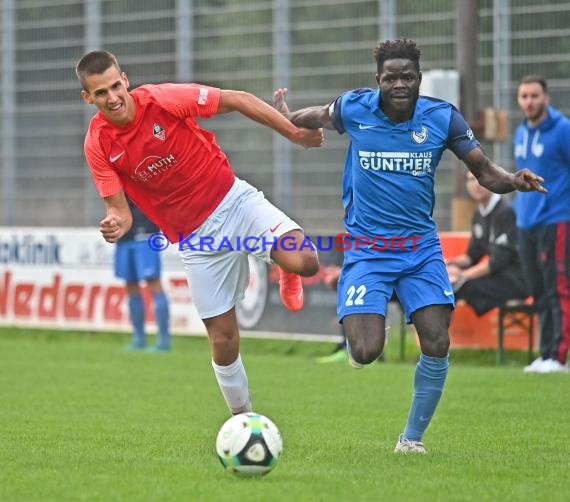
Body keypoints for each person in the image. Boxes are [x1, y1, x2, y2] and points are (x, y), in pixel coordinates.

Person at [273, 38, 546, 453]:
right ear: (377, 80)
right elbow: (319, 115)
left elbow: (483, 170)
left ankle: (411, 441)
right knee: (365, 352)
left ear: (418, 78)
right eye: (390, 77)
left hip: (420, 250)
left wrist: (513, 181)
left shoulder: (442, 118)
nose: (399, 84)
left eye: (407, 77)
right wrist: (289, 116)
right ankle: (360, 324)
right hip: (367, 249)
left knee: (437, 341)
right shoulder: (355, 108)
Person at [76, 50, 323, 416]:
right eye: (100, 93)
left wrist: (294, 133)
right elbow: (120, 211)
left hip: (233, 201)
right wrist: (115, 223)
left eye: (115, 86)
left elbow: (237, 99)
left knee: (305, 261)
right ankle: (244, 424)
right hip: (196, 240)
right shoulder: (97, 145)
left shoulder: (162, 99)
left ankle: (283, 267)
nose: (112, 98)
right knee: (223, 341)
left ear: (125, 79)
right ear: (88, 98)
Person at [514, 75, 570, 374]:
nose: (529, 101)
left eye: (534, 95)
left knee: (556, 287)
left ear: (546, 98)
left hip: (556, 219)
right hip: (526, 223)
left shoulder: (563, 130)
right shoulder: (521, 132)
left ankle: (558, 357)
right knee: (537, 288)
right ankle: (545, 352)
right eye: (524, 96)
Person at [445, 171, 529, 315]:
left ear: (493, 182)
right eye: (471, 180)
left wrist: (462, 275)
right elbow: (472, 256)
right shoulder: (479, 213)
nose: (476, 184)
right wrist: (447, 265)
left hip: (516, 280)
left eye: (480, 178)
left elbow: (497, 262)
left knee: (459, 286)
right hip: (497, 276)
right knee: (445, 283)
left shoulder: (506, 211)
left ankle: (438, 335)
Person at [115, 197, 171, 352]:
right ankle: (139, 338)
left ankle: (164, 340)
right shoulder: (112, 175)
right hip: (124, 236)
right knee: (130, 284)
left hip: (145, 233)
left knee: (153, 283)